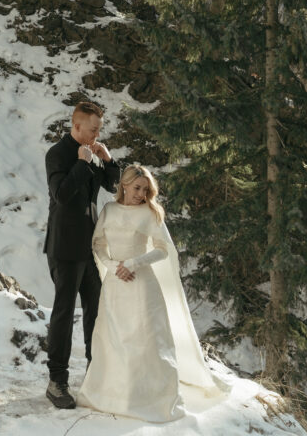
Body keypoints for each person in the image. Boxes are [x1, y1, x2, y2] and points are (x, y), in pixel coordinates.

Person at [77, 164, 228, 423]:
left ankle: (146, 397)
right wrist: (114, 267)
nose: (141, 194)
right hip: (115, 284)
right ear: (123, 185)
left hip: (141, 283)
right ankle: (113, 394)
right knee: (114, 338)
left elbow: (162, 249)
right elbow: (98, 244)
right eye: (137, 188)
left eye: (146, 190)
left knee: (144, 340)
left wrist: (134, 263)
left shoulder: (149, 212)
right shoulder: (109, 210)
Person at [44, 100, 119, 410]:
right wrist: (80, 162)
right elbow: (60, 195)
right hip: (64, 246)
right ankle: (56, 381)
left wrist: (108, 159)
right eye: (92, 129)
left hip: (90, 246)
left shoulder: (91, 153)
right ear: (76, 126)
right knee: (64, 311)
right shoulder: (58, 154)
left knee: (96, 309)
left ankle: (95, 372)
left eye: (99, 129)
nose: (96, 134)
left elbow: (114, 186)